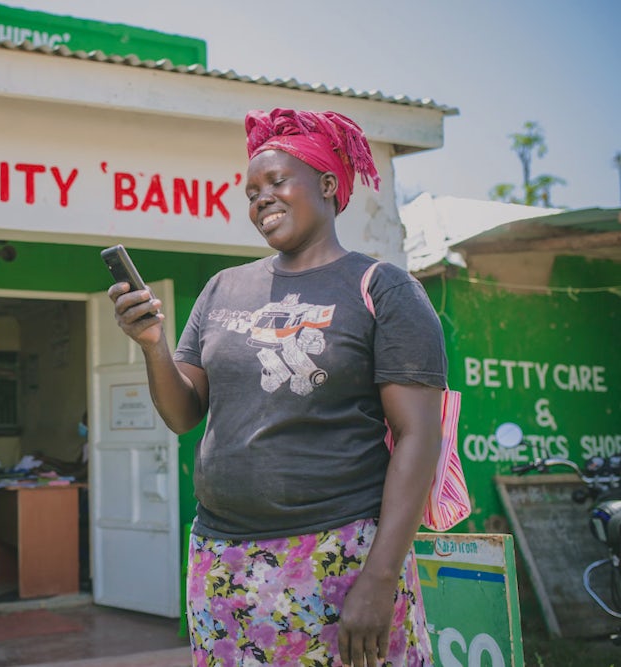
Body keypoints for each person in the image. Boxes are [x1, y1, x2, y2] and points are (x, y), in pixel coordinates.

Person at [107, 108, 446, 666]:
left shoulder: (382, 289)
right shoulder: (222, 289)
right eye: (251, 190)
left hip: (340, 553)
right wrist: (151, 344)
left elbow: (418, 437)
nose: (260, 198)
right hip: (222, 557)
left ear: (329, 185)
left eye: (277, 182)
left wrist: (381, 577)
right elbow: (183, 413)